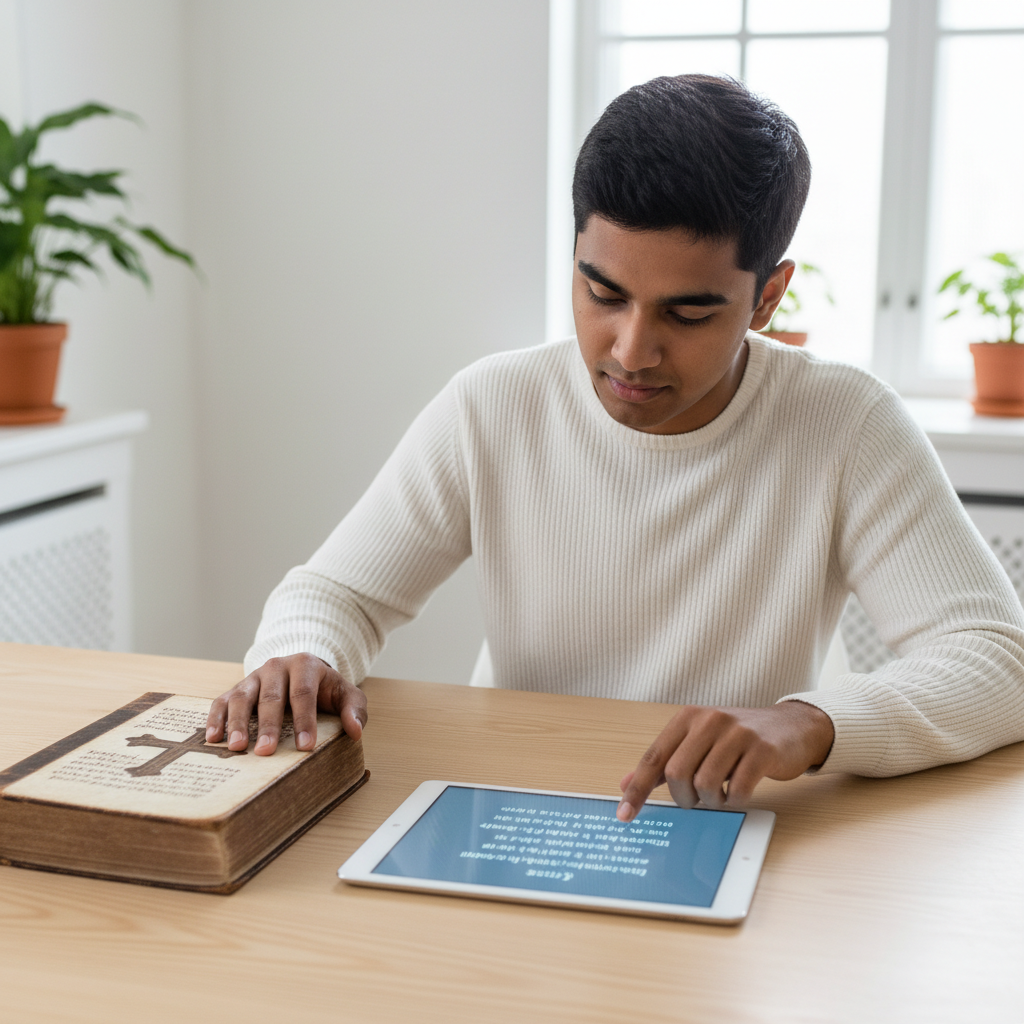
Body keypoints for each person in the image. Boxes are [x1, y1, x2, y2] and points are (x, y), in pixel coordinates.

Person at [205, 74, 1024, 820]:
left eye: (689, 313)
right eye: (604, 293)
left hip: (735, 823)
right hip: (518, 799)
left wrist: (810, 722)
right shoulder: (495, 405)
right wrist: (298, 654)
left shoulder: (846, 424)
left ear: (768, 296)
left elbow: (998, 662)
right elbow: (334, 595)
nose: (632, 350)